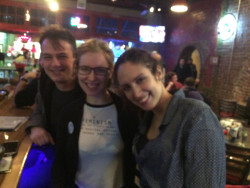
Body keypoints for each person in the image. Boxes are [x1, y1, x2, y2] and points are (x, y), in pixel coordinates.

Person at [113, 48, 226, 188]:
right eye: (127, 88)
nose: (136, 93)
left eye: (140, 80)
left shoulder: (196, 115)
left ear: (158, 73)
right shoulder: (145, 118)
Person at [52, 39, 139, 188]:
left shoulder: (126, 111)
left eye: (99, 70)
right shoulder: (68, 113)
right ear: (77, 69)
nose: (91, 78)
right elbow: (60, 164)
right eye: (85, 69)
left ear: (110, 72)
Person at [19, 25, 84, 188]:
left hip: (80, 166)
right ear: (41, 60)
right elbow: (39, 109)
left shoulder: (87, 87)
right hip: (52, 155)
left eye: (62, 56)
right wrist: (36, 127)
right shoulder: (45, 82)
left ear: (75, 58)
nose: (55, 64)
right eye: (47, 57)